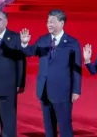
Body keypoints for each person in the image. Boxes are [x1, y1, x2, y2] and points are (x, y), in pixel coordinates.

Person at [21, 9, 82, 137]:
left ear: (61, 23)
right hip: (44, 90)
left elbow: (76, 68)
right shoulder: (43, 40)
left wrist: (76, 90)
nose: (49, 24)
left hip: (63, 91)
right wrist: (25, 44)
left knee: (65, 126)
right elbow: (30, 52)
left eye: (52, 22)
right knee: (49, 127)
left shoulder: (72, 43)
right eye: (48, 21)